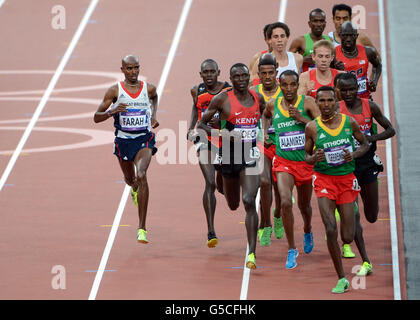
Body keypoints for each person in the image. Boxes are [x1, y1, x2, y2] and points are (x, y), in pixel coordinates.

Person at [198, 63, 266, 269]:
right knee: (233, 204)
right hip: (228, 155)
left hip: (250, 154)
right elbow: (201, 125)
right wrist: (223, 134)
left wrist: (265, 134)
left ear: (249, 77)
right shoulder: (222, 99)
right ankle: (221, 177)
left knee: (248, 200)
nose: (242, 79)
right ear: (231, 79)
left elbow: (264, 117)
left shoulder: (257, 98)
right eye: (237, 76)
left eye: (245, 75)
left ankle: (252, 253)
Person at [304, 86, 369, 293]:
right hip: (323, 181)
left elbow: (365, 143)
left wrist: (355, 155)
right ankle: (341, 277)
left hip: (346, 180)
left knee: (347, 236)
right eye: (321, 101)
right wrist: (314, 158)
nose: (325, 105)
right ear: (316, 103)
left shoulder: (349, 122)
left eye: (329, 101)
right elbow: (306, 156)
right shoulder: (312, 128)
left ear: (336, 102)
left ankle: (348, 220)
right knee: (330, 228)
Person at [93, 55, 159, 244]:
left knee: (142, 174)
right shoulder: (115, 91)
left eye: (136, 68)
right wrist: (112, 111)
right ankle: (134, 188)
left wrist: (153, 115)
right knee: (131, 180)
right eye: (129, 68)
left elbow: (154, 97)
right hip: (123, 141)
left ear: (139, 68)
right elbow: (96, 117)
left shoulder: (148, 88)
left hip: (143, 139)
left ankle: (142, 228)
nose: (133, 72)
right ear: (122, 70)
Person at [337, 73, 395, 276]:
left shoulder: (370, 106)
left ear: (357, 88)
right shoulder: (337, 109)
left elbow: (390, 130)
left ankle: (371, 187)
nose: (348, 93)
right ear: (339, 91)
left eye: (351, 89)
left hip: (368, 162)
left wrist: (372, 138)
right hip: (348, 166)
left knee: (371, 216)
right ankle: (366, 261)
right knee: (353, 216)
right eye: (343, 90)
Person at [263, 70, 320, 269]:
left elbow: (322, 127)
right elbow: (265, 115)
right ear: (280, 85)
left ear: (298, 85)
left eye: (292, 85)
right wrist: (265, 133)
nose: (288, 89)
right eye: (284, 85)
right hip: (283, 162)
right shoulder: (273, 104)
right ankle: (291, 249)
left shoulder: (308, 103)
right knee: (286, 201)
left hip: (304, 162)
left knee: (304, 207)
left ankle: (307, 228)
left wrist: (302, 120)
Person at [187, 59, 231, 248]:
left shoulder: (228, 90)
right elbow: (195, 108)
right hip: (204, 139)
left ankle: (223, 178)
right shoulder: (196, 90)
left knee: (223, 184)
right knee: (210, 183)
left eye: (212, 71)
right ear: (201, 74)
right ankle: (211, 230)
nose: (209, 75)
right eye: (206, 72)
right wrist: (191, 128)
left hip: (223, 139)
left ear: (218, 72)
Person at [250, 53, 284, 246]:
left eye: (271, 73)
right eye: (264, 73)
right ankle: (266, 224)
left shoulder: (285, 91)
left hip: (281, 146)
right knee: (264, 181)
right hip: (261, 144)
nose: (268, 76)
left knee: (279, 188)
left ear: (276, 73)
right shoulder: (253, 91)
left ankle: (277, 214)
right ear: (259, 75)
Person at [335, 22, 382, 100]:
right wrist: (335, 69)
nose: (348, 39)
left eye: (351, 35)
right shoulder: (333, 54)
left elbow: (377, 65)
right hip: (343, 101)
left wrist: (374, 80)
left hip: (364, 99)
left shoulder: (368, 52)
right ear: (340, 36)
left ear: (356, 36)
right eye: (345, 35)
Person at [289, 8, 332, 73]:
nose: (319, 24)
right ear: (309, 23)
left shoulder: (330, 40)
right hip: (306, 80)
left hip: (324, 80)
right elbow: (288, 61)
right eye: (315, 21)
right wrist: (303, 59)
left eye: (321, 21)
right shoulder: (300, 41)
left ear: (325, 23)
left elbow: (333, 61)